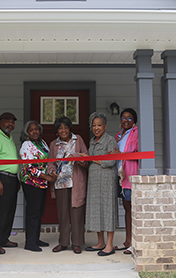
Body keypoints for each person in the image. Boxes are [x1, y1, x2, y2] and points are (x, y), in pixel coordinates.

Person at [47, 116, 89, 254]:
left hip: (76, 182)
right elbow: (50, 163)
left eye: (66, 127)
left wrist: (76, 156)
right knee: (63, 213)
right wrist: (52, 171)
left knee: (76, 213)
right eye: (60, 128)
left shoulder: (78, 140)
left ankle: (76, 243)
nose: (63, 130)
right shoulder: (54, 144)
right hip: (60, 183)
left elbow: (86, 159)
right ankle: (63, 243)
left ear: (70, 128)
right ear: (57, 130)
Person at [83, 111, 119, 256]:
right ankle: (100, 242)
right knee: (97, 210)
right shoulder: (92, 141)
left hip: (107, 180)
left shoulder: (110, 141)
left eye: (99, 125)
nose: (96, 128)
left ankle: (109, 245)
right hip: (94, 181)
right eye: (94, 126)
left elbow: (111, 161)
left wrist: (90, 158)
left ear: (105, 126)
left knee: (108, 210)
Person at [19, 120, 56, 252]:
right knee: (33, 212)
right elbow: (29, 167)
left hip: (42, 183)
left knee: (39, 212)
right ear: (27, 133)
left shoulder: (42, 142)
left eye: (36, 129)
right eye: (31, 130)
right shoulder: (26, 145)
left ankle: (36, 239)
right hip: (31, 182)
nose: (35, 132)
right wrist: (46, 177)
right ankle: (29, 242)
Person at [0, 112, 20, 255]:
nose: (10, 124)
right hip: (2, 178)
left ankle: (4, 238)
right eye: (7, 121)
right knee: (1, 211)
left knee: (10, 210)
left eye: (12, 122)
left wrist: (16, 178)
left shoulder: (9, 137)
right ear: (0, 122)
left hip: (12, 178)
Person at [114, 108, 138, 255]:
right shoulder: (119, 135)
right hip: (120, 176)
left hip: (130, 174)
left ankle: (133, 242)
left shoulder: (136, 133)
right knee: (126, 207)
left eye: (129, 118)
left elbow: (137, 153)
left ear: (134, 120)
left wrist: (120, 154)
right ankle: (127, 240)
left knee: (132, 209)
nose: (126, 120)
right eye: (123, 118)